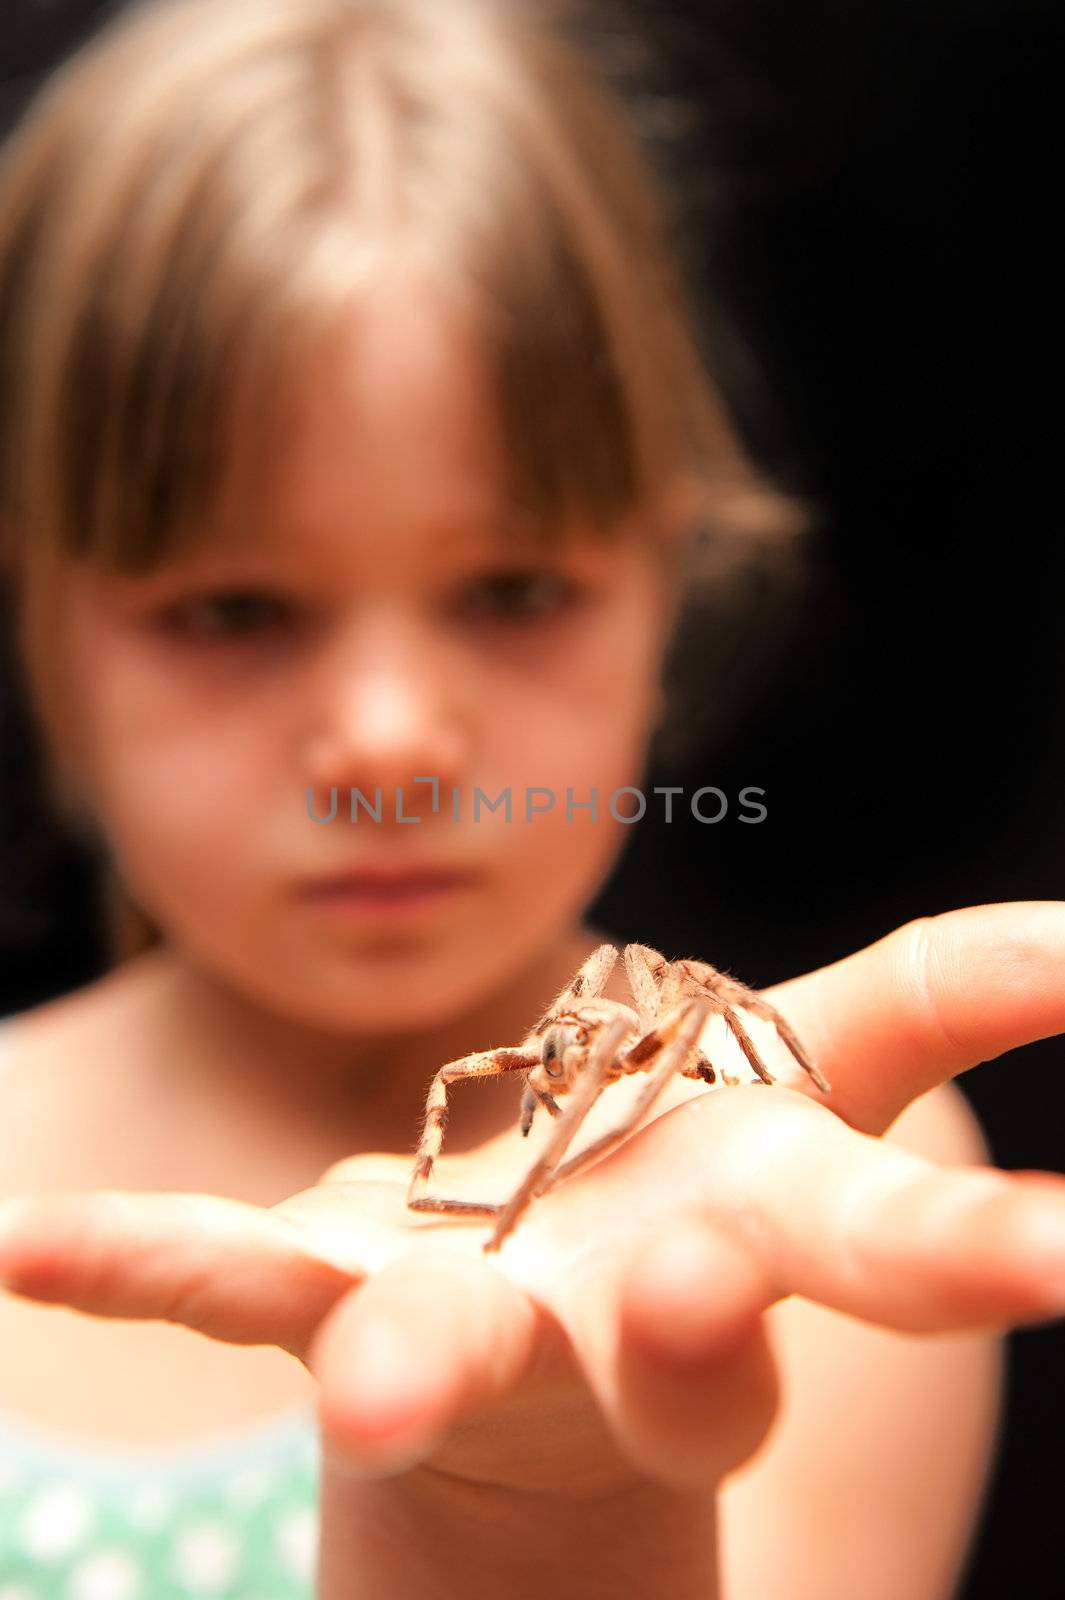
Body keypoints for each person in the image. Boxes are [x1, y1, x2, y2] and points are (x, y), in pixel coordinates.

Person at [0, 0, 1064, 1596]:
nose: (388, 744)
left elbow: (689, 1010)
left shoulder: (817, 1194)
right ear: (42, 621)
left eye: (508, 590)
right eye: (232, 611)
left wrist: (555, 1503)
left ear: (667, 580)